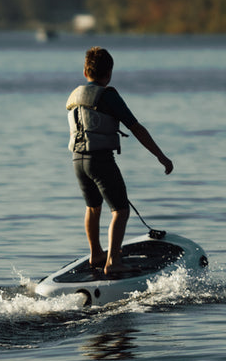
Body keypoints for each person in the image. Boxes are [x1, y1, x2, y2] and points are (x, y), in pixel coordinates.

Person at [66, 46, 173, 275]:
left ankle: (96, 254)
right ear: (109, 73)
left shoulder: (75, 95)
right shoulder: (109, 96)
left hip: (77, 160)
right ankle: (113, 261)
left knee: (93, 207)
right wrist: (161, 156)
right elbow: (136, 128)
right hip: (100, 160)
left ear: (85, 72)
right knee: (120, 210)